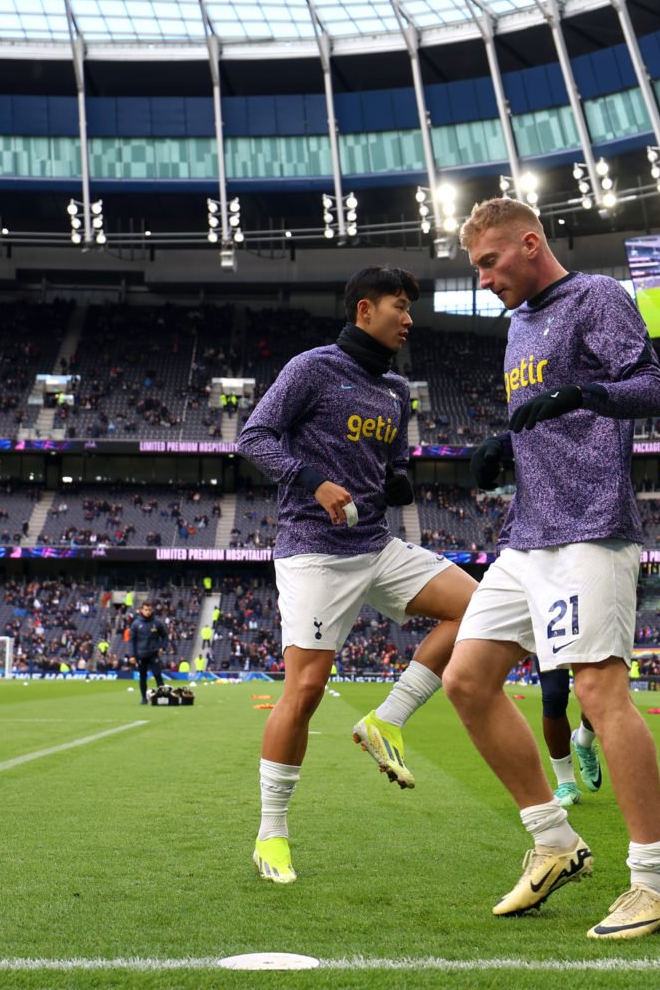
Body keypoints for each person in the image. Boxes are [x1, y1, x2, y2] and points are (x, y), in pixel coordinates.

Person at [446, 197, 660, 940]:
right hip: (528, 534)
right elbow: (540, 417)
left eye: (488, 262)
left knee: (600, 692)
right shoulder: (516, 328)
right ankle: (553, 840)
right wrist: (502, 445)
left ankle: (653, 885)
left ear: (529, 242)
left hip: (591, 527)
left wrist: (582, 391)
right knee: (467, 679)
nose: (484, 280)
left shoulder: (599, 297)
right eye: (476, 267)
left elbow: (653, 388)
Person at [237, 264, 479, 885]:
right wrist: (314, 482)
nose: (409, 318)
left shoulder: (398, 390)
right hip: (314, 548)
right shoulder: (312, 368)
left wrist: (403, 477)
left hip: (376, 544)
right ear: (364, 310)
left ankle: (386, 719)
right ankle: (272, 835)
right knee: (307, 690)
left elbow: (396, 464)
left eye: (411, 307)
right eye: (400, 306)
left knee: (478, 608)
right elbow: (255, 437)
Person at [536, 664, 602, 807]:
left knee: (596, 692)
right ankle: (566, 783)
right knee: (553, 696)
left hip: (589, 641)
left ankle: (583, 741)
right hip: (550, 641)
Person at [129, 600, 170, 705]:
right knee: (142, 677)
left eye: (149, 610)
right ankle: (144, 699)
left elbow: (165, 636)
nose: (148, 612)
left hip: (153, 654)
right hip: (141, 655)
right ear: (142, 610)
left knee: (158, 675)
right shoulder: (136, 624)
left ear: (152, 610)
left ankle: (163, 698)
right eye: (146, 610)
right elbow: (132, 641)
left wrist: (162, 647)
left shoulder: (157, 623)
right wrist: (132, 655)